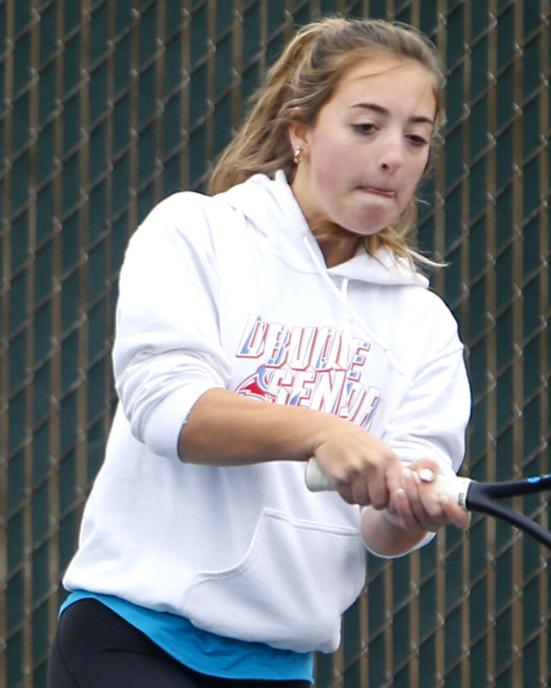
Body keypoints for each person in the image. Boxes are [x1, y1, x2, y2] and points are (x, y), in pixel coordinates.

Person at [47, 16, 471, 688]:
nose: (394, 154)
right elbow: (168, 409)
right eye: (366, 127)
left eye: (415, 137)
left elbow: (381, 530)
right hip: (132, 637)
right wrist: (322, 434)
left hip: (280, 663)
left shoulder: (424, 322)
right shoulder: (197, 231)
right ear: (299, 132)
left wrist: (405, 511)